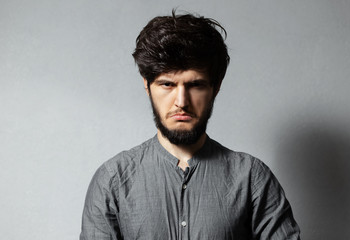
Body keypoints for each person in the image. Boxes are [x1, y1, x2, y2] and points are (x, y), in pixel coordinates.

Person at [80, 10, 301, 240]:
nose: (181, 102)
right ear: (147, 85)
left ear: (215, 87)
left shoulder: (251, 178)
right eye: (167, 84)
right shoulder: (113, 180)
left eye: (195, 85)